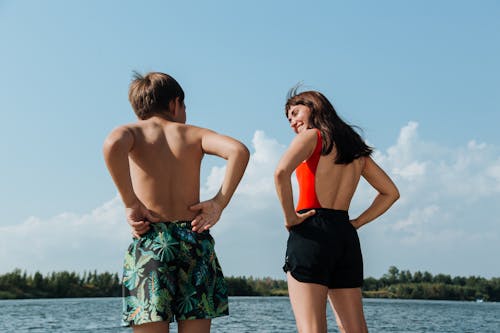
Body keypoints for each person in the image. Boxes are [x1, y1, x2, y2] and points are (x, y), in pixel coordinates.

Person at [103, 72, 249, 333]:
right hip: (194, 238)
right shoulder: (194, 134)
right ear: (175, 103)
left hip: (152, 243)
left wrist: (130, 202)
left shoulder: (133, 132)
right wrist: (219, 202)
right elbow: (238, 150)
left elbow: (112, 144)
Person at [274, 88, 399, 333]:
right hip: (345, 235)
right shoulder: (355, 149)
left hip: (311, 231)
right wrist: (356, 223)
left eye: (295, 112)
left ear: (314, 107)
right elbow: (390, 193)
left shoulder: (312, 136)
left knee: (311, 328)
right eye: (289, 119)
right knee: (355, 328)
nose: (292, 122)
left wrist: (290, 216)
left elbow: (280, 173)